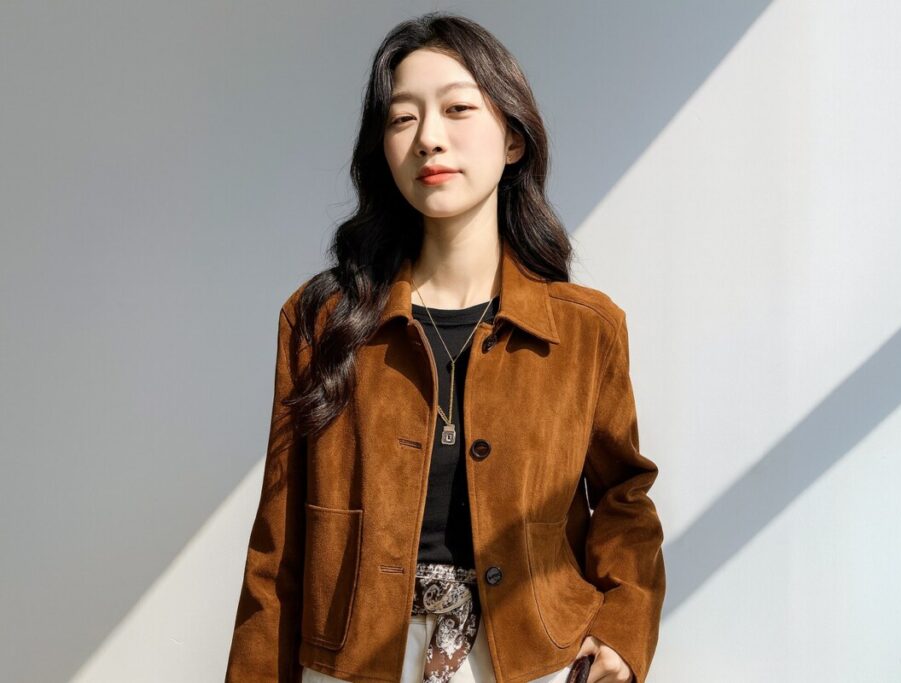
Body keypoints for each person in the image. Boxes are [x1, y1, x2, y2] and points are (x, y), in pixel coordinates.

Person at [225, 12, 666, 683]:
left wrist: (623, 630)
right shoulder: (324, 321)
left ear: (513, 137)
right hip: (353, 665)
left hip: (533, 661)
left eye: (458, 109)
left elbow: (625, 498)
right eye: (403, 118)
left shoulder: (585, 329)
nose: (429, 137)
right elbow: (277, 544)